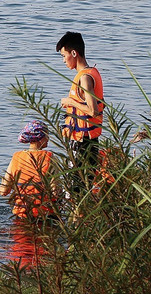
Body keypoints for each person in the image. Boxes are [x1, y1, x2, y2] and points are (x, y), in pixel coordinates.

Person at [57, 31, 105, 189]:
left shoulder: (84, 78)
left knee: (77, 189)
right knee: (81, 187)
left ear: (74, 53)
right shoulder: (89, 73)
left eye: (64, 56)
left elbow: (93, 111)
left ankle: (77, 214)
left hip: (84, 144)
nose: (64, 61)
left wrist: (70, 101)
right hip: (85, 141)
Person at [0, 120, 59, 222]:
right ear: (40, 137)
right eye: (47, 135)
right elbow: (55, 191)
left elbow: (3, 191)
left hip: (21, 215)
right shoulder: (50, 157)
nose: (48, 139)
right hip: (45, 216)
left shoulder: (16, 157)